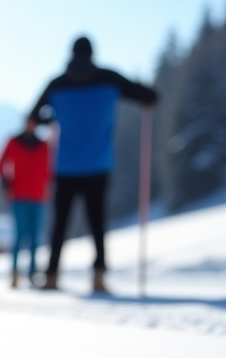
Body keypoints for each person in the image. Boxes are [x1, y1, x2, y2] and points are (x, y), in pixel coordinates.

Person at [30, 36, 158, 293]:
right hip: (98, 164)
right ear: (92, 54)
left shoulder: (57, 84)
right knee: (97, 222)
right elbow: (148, 97)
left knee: (60, 223)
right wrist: (146, 94)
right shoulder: (108, 79)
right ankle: (98, 275)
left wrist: (52, 118)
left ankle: (52, 275)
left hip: (65, 165)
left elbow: (34, 117)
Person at [0, 117, 51, 288]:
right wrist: (6, 182)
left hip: (39, 197)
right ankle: (14, 272)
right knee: (20, 236)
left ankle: (33, 272)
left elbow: (50, 169)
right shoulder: (13, 142)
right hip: (18, 196)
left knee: (35, 237)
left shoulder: (44, 146)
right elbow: (0, 163)